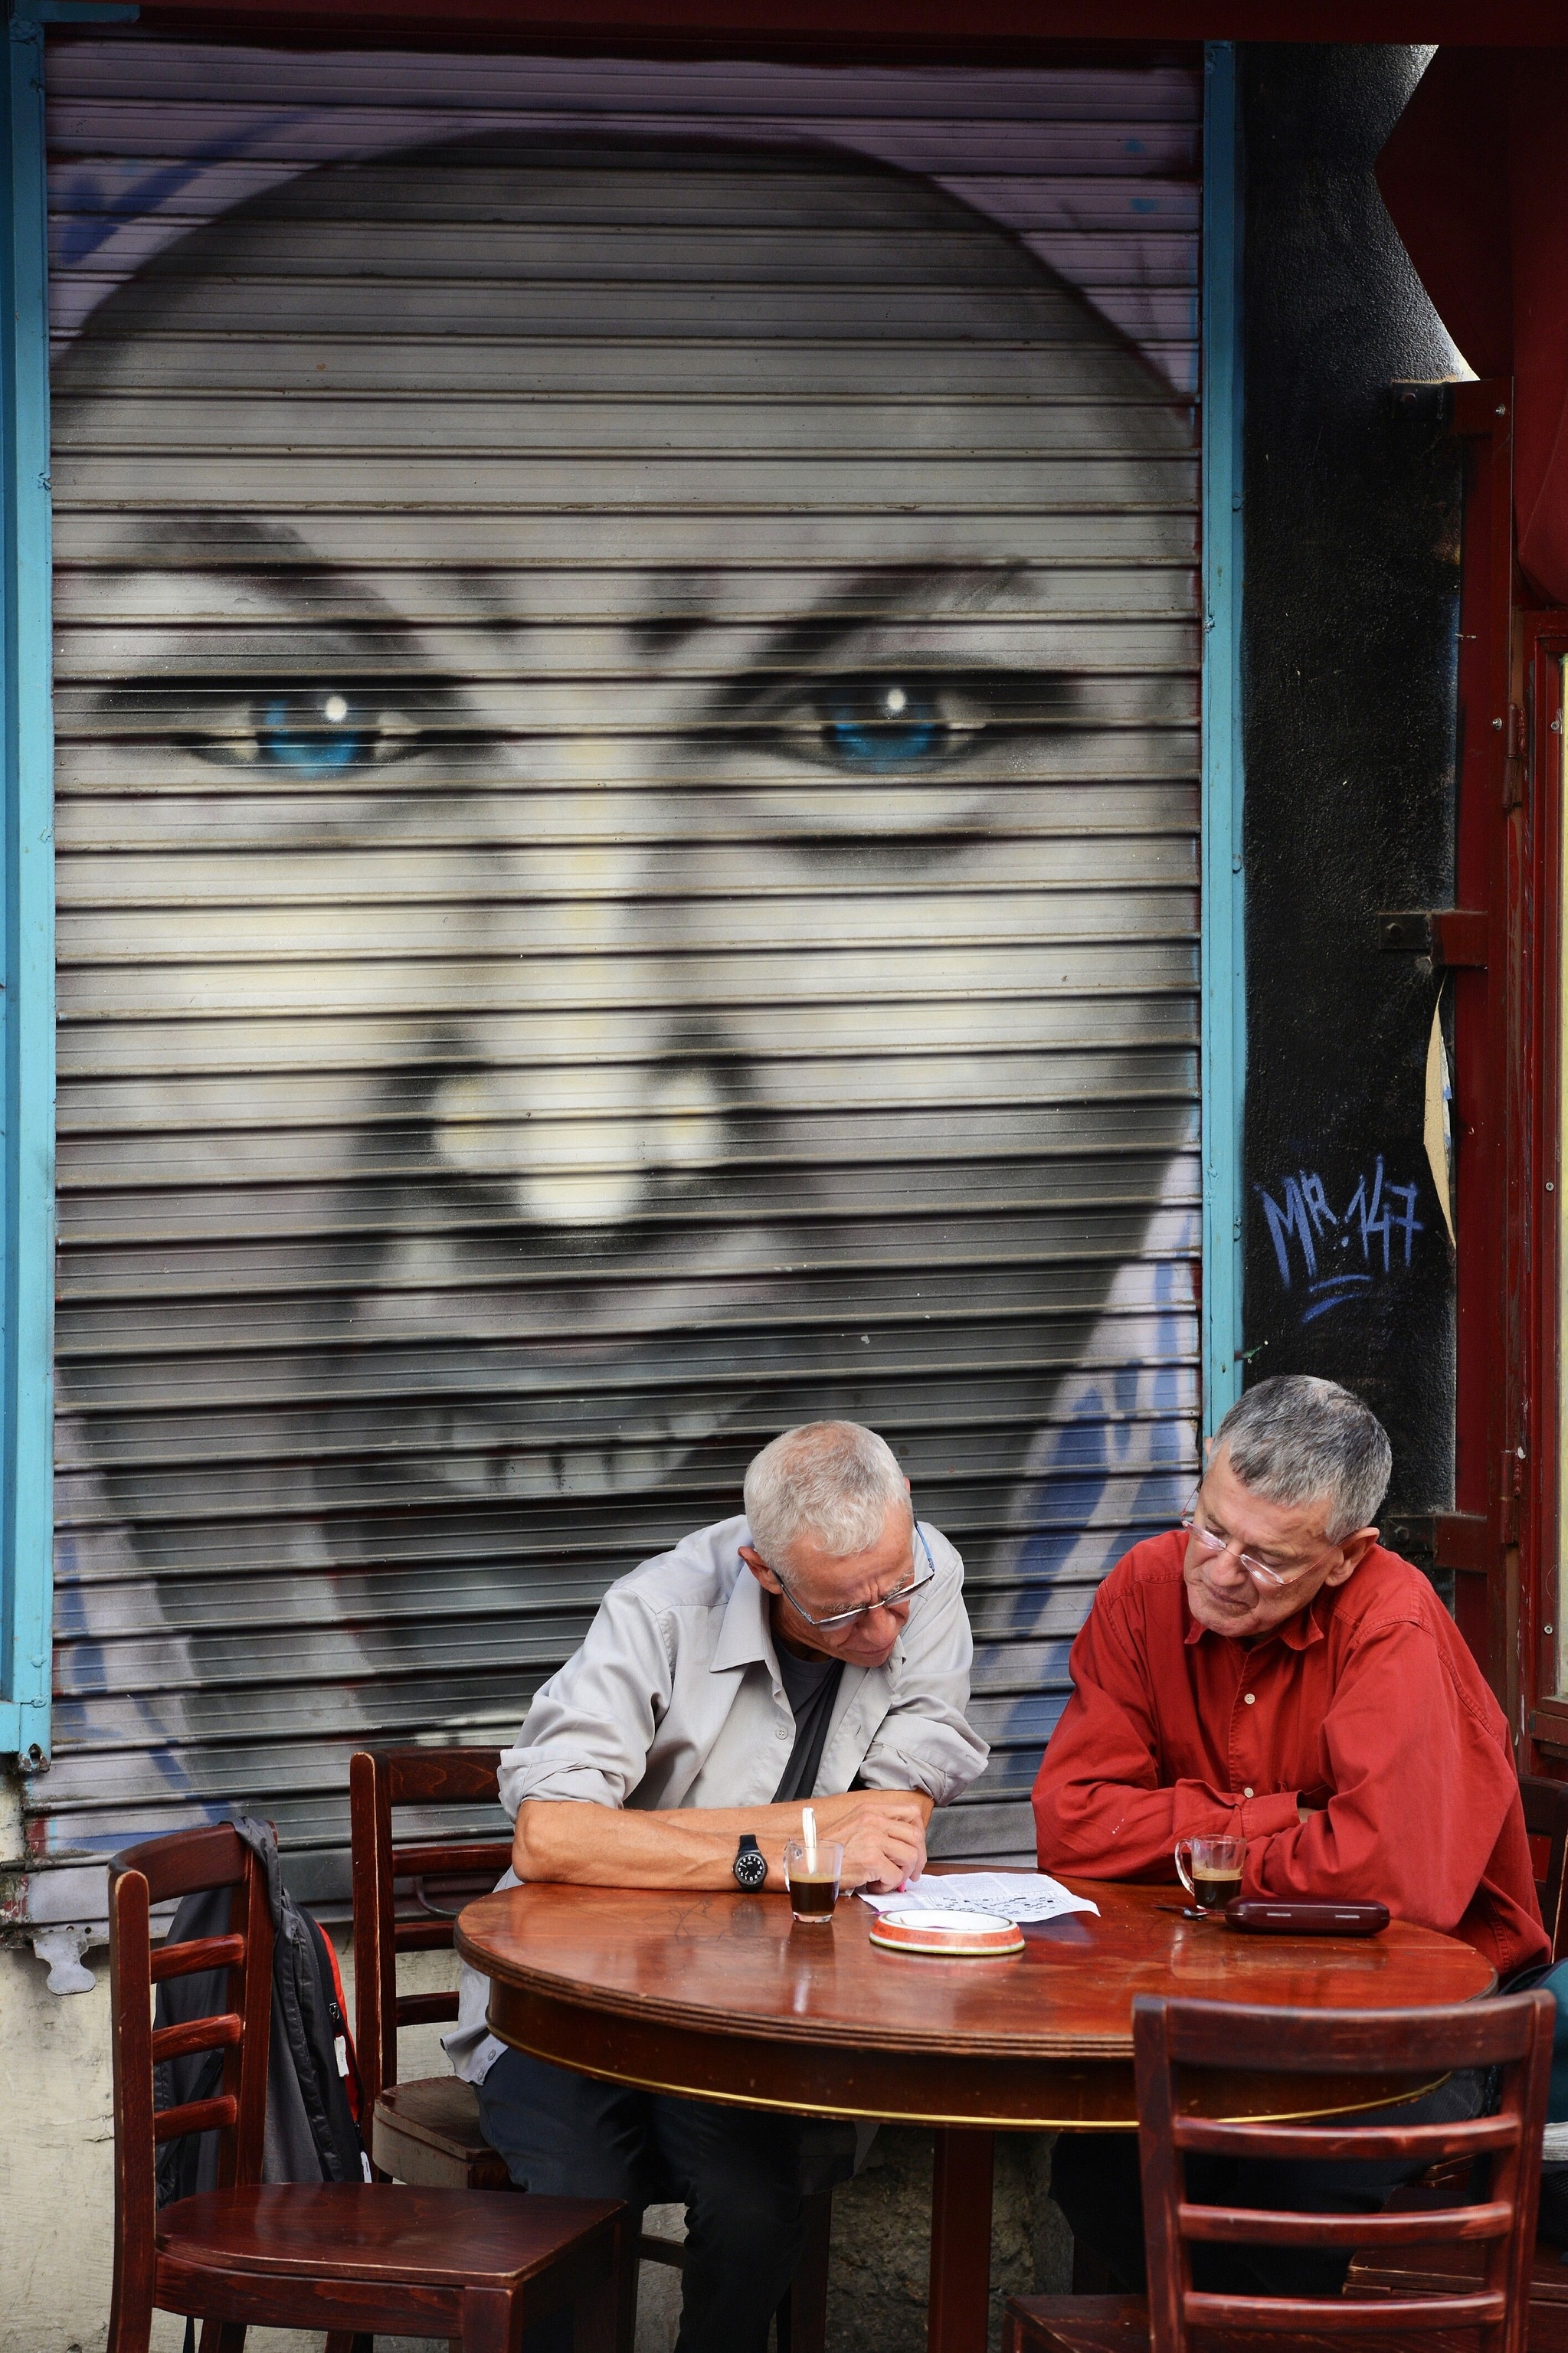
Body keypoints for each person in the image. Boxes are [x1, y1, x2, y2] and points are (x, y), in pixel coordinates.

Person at [44, 119, 1198, 1874]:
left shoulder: (952, 1604)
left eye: (886, 723)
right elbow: (568, 1825)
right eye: (301, 725)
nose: (573, 1176)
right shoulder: (663, 1612)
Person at [444, 1417, 986, 2353]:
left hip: (740, 2014)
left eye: (897, 1593)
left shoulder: (920, 1573)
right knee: (583, 2203)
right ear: (764, 1570)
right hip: (574, 2004)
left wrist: (676, 1847)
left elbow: (889, 1827)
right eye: (845, 1611)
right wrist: (771, 1850)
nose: (887, 1626)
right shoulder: (659, 1611)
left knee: (756, 2211)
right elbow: (549, 1835)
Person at [1033, 1372, 1549, 2297]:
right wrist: (1273, 1823)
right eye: (1211, 1528)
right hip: (1213, 2007)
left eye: (1268, 1559)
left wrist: (1186, 1844)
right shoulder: (1145, 1585)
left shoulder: (1390, 1621)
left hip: (1419, 2026)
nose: (1221, 1572)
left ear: (1349, 1554)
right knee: (1098, 2169)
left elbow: (1392, 1882)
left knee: (1289, 2181)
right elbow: (1072, 1824)